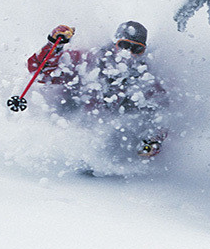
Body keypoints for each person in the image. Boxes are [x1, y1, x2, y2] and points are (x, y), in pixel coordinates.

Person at [27, 21, 168, 157]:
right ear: (115, 43)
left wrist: (153, 140)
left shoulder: (143, 78)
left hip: (107, 140)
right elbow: (40, 73)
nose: (128, 53)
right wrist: (54, 46)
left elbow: (162, 110)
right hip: (68, 125)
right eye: (124, 45)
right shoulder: (89, 60)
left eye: (136, 49)